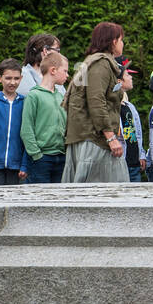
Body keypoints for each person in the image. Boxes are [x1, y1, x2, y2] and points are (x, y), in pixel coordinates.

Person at [62, 21, 128, 183]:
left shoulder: (91, 62)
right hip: (94, 142)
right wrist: (111, 138)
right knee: (104, 196)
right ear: (113, 41)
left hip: (88, 139)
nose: (123, 43)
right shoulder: (101, 64)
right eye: (121, 39)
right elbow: (96, 102)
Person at [19, 50, 69, 184]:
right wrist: (37, 155)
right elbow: (26, 129)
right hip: (42, 159)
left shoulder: (61, 96)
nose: (67, 75)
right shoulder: (34, 96)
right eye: (64, 71)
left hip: (61, 157)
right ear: (53, 70)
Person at [116, 58, 146, 182]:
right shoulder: (112, 107)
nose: (131, 77)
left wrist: (141, 154)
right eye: (127, 75)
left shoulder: (130, 107)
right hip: (120, 163)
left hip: (134, 163)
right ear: (119, 81)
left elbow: (137, 133)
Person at [18, 34, 64, 98]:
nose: (60, 55)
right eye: (57, 50)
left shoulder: (55, 74)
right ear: (45, 51)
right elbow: (32, 100)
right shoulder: (24, 75)